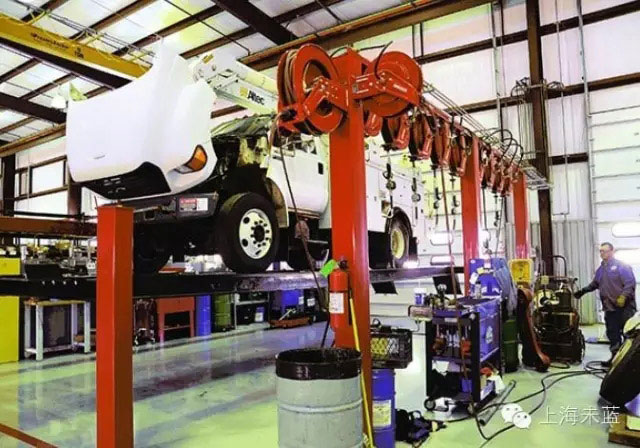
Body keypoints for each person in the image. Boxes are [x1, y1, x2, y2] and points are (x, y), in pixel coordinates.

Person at [575, 242, 637, 366]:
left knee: (628, 334)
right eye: (601, 251)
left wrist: (623, 296)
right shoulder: (601, 269)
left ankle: (629, 363)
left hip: (624, 308)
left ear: (612, 251)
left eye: (605, 251)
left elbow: (630, 283)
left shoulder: (622, 266)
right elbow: (595, 284)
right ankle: (615, 359)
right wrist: (582, 291)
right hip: (610, 308)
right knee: (613, 334)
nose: (602, 253)